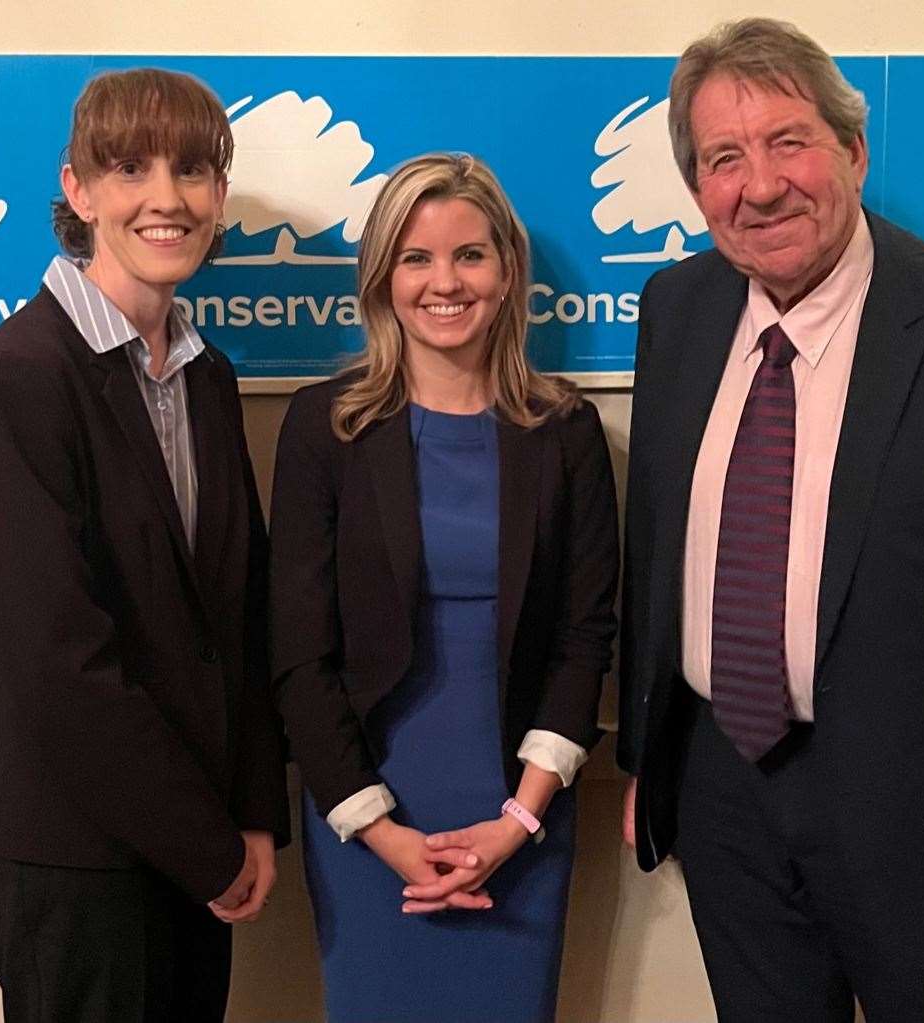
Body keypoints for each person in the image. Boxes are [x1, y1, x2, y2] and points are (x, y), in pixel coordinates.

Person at [617, 17, 924, 1023]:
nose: (758, 185)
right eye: (722, 159)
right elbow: (660, 548)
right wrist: (651, 759)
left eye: (787, 141)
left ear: (850, 149)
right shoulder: (677, 309)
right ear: (696, 188)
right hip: (724, 795)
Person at [269, 152, 619, 1023]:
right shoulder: (326, 426)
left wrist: (519, 820)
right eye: (415, 258)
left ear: (506, 272)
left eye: (469, 254)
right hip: (366, 811)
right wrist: (381, 830)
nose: (443, 281)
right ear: (382, 277)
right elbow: (297, 654)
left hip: (518, 809)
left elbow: (585, 637)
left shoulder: (565, 430)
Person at [0, 68, 289, 1023]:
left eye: (194, 170)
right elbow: (56, 658)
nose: (167, 198)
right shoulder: (21, 376)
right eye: (130, 168)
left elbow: (236, 614)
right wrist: (206, 842)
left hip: (197, 845)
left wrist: (250, 816)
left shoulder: (206, 378)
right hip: (78, 859)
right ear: (77, 191)